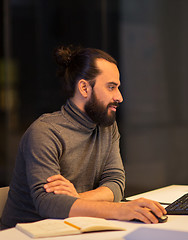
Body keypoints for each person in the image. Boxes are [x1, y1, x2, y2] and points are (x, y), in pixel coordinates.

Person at [1, 46, 166, 229]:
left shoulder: (107, 126)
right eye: (111, 87)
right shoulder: (45, 132)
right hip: (26, 234)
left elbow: (116, 183)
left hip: (73, 228)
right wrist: (120, 210)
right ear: (84, 88)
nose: (119, 97)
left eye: (118, 88)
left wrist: (77, 198)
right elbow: (48, 204)